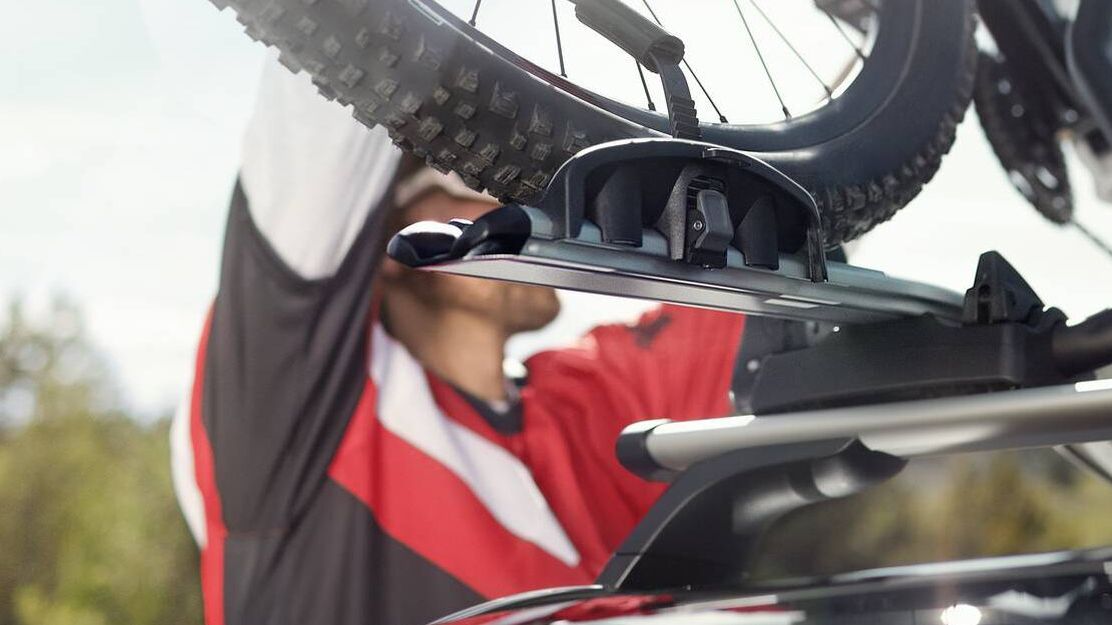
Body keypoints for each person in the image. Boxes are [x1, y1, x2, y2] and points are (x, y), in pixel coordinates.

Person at [170, 55, 751, 625]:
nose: (522, 196)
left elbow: (773, 265)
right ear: (387, 234)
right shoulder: (290, 411)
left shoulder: (592, 392)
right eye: (475, 175)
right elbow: (319, 98)